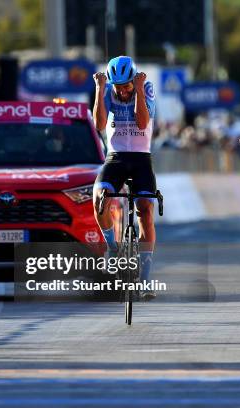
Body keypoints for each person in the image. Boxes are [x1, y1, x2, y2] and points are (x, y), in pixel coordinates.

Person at [92, 55, 158, 301]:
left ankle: (145, 279)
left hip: (141, 158)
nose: (122, 91)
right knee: (100, 199)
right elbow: (99, 123)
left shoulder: (146, 88)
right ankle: (112, 246)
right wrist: (99, 90)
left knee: (146, 211)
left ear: (134, 80)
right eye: (117, 86)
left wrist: (138, 90)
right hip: (116, 157)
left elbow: (142, 124)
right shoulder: (107, 91)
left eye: (126, 85)